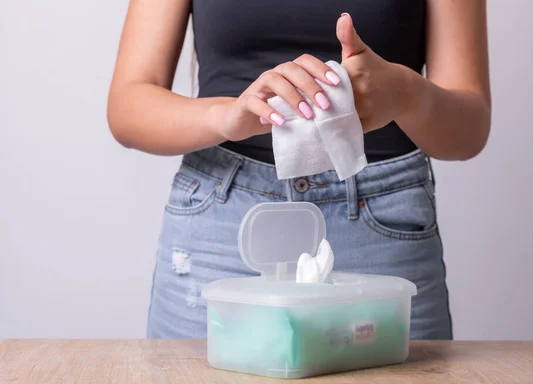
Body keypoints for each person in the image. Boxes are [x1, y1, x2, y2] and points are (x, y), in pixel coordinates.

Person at [107, 1, 491, 340]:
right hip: (221, 226)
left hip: (383, 229)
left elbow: (470, 129)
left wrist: (407, 93)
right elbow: (128, 104)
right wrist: (226, 116)